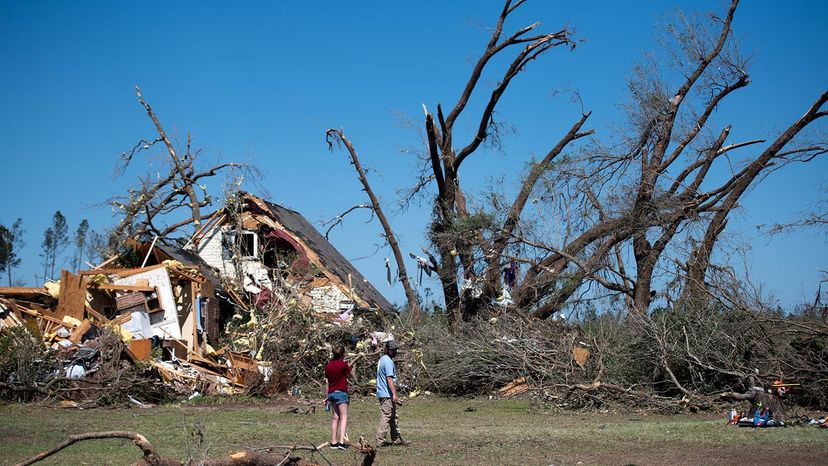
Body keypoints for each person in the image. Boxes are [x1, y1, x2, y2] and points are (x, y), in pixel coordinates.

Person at [376, 340, 411, 447]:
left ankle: (396, 439)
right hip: (386, 394)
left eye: (395, 349)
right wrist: (395, 394)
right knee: (386, 416)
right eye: (392, 350)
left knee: (393, 416)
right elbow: (389, 379)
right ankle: (380, 441)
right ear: (387, 350)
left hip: (385, 392)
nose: (394, 351)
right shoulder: (387, 361)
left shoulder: (383, 359)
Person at [324, 345, 352, 450]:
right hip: (341, 393)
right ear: (343, 354)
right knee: (344, 417)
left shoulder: (328, 366)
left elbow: (327, 382)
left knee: (335, 417)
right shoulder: (343, 365)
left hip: (331, 393)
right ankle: (341, 441)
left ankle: (333, 442)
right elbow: (350, 376)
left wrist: (326, 396)